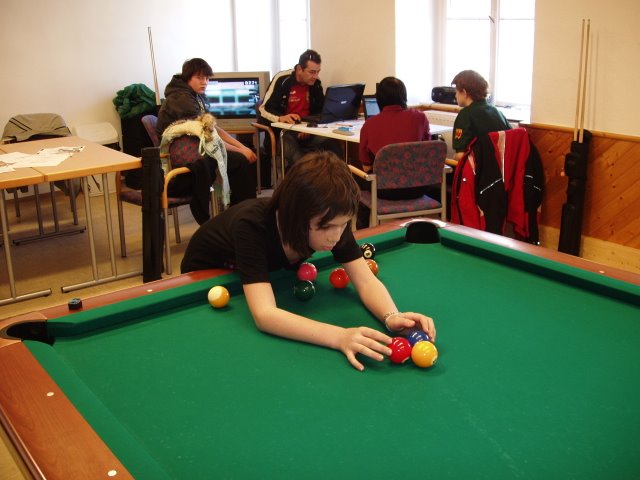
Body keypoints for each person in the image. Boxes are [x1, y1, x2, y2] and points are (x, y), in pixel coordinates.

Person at [181, 151, 436, 371]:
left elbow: (365, 281)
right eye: (326, 227)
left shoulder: (332, 219)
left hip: (254, 266)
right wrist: (339, 336)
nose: (336, 236)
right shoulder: (252, 226)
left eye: (343, 224)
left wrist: (391, 316)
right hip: (205, 271)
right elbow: (265, 315)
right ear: (295, 216)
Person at [156, 58, 257, 209]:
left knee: (242, 155)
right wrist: (241, 151)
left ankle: (237, 209)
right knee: (240, 160)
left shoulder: (196, 95)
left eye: (207, 78)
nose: (204, 82)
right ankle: (243, 211)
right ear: (187, 77)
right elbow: (208, 138)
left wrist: (242, 147)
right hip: (184, 157)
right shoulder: (182, 99)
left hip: (197, 148)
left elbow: (213, 129)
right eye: (199, 78)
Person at [355, 76, 432, 228]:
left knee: (354, 176)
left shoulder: (370, 124)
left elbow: (366, 166)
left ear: (379, 99)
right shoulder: (420, 118)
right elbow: (426, 148)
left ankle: (362, 232)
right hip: (418, 187)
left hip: (385, 190)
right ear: (404, 96)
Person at [257, 49, 342, 168]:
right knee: (300, 160)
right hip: (283, 133)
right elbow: (263, 109)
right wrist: (280, 118)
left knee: (334, 148)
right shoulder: (282, 79)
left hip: (308, 131)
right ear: (299, 69)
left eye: (318, 72)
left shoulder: (316, 83)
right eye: (312, 72)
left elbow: (321, 112)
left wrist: (310, 127)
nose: (315, 76)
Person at [450, 70, 512, 161]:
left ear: (464, 92)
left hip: (479, 168)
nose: (455, 95)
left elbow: (461, 156)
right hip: (502, 165)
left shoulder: (465, 114)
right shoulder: (497, 112)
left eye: (456, 91)